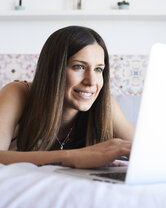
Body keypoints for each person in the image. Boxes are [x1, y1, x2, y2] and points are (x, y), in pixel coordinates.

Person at [0, 25, 134, 168]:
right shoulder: (18, 92)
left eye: (98, 69)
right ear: (54, 69)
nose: (91, 82)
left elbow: (143, 151)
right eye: (79, 67)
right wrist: (75, 157)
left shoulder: (103, 102)